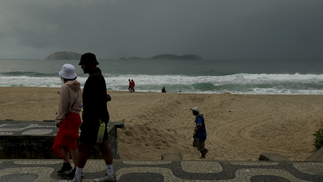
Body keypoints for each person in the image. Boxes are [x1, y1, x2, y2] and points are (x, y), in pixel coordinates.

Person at [61, 53, 116, 182]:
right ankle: (110, 175)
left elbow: (94, 103)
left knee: (84, 146)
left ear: (90, 64)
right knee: (104, 145)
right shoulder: (98, 76)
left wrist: (87, 122)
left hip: (93, 120)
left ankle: (78, 178)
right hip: (101, 119)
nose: (81, 67)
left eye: (83, 64)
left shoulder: (93, 79)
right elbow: (102, 97)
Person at [53, 64, 82, 177]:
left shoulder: (65, 87)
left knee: (71, 144)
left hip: (68, 117)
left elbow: (63, 106)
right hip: (76, 116)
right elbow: (80, 103)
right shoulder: (78, 86)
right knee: (60, 140)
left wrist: (58, 119)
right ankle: (66, 164)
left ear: (63, 76)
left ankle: (78, 170)